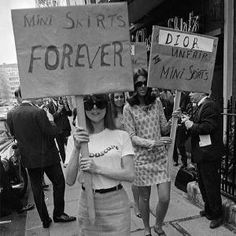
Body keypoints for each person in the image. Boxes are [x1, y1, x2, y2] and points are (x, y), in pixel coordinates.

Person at [66, 94, 135, 236]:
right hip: (88, 204)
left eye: (100, 103)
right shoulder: (75, 139)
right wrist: (77, 148)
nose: (95, 108)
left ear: (107, 106)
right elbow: (69, 180)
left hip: (117, 204)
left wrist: (97, 169)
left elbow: (130, 175)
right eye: (89, 104)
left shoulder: (121, 136)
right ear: (82, 108)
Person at [6, 88, 76, 228]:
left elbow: (13, 134)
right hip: (48, 156)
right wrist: (51, 121)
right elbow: (52, 133)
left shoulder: (11, 114)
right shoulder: (38, 112)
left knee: (37, 189)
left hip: (29, 159)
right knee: (59, 183)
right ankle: (58, 214)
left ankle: (45, 219)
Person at [123, 68, 179, 236]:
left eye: (144, 83)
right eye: (138, 83)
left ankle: (158, 225)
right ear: (134, 85)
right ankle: (147, 229)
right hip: (141, 159)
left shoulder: (156, 102)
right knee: (145, 199)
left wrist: (173, 119)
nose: (142, 86)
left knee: (164, 197)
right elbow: (131, 136)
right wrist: (153, 143)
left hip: (160, 158)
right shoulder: (128, 107)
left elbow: (163, 127)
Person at [183, 92, 224, 229]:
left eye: (193, 91)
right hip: (202, 154)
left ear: (202, 92)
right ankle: (209, 210)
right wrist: (187, 121)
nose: (190, 94)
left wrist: (191, 125)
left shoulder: (209, 106)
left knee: (211, 185)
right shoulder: (200, 106)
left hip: (209, 155)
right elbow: (198, 123)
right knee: (203, 184)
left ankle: (217, 215)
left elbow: (207, 127)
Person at [47, 96, 72, 164]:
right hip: (57, 130)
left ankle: (73, 161)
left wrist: (66, 106)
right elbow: (51, 118)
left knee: (70, 146)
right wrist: (58, 111)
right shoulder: (49, 106)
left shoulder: (63, 102)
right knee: (61, 149)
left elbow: (70, 114)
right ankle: (65, 163)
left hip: (66, 129)